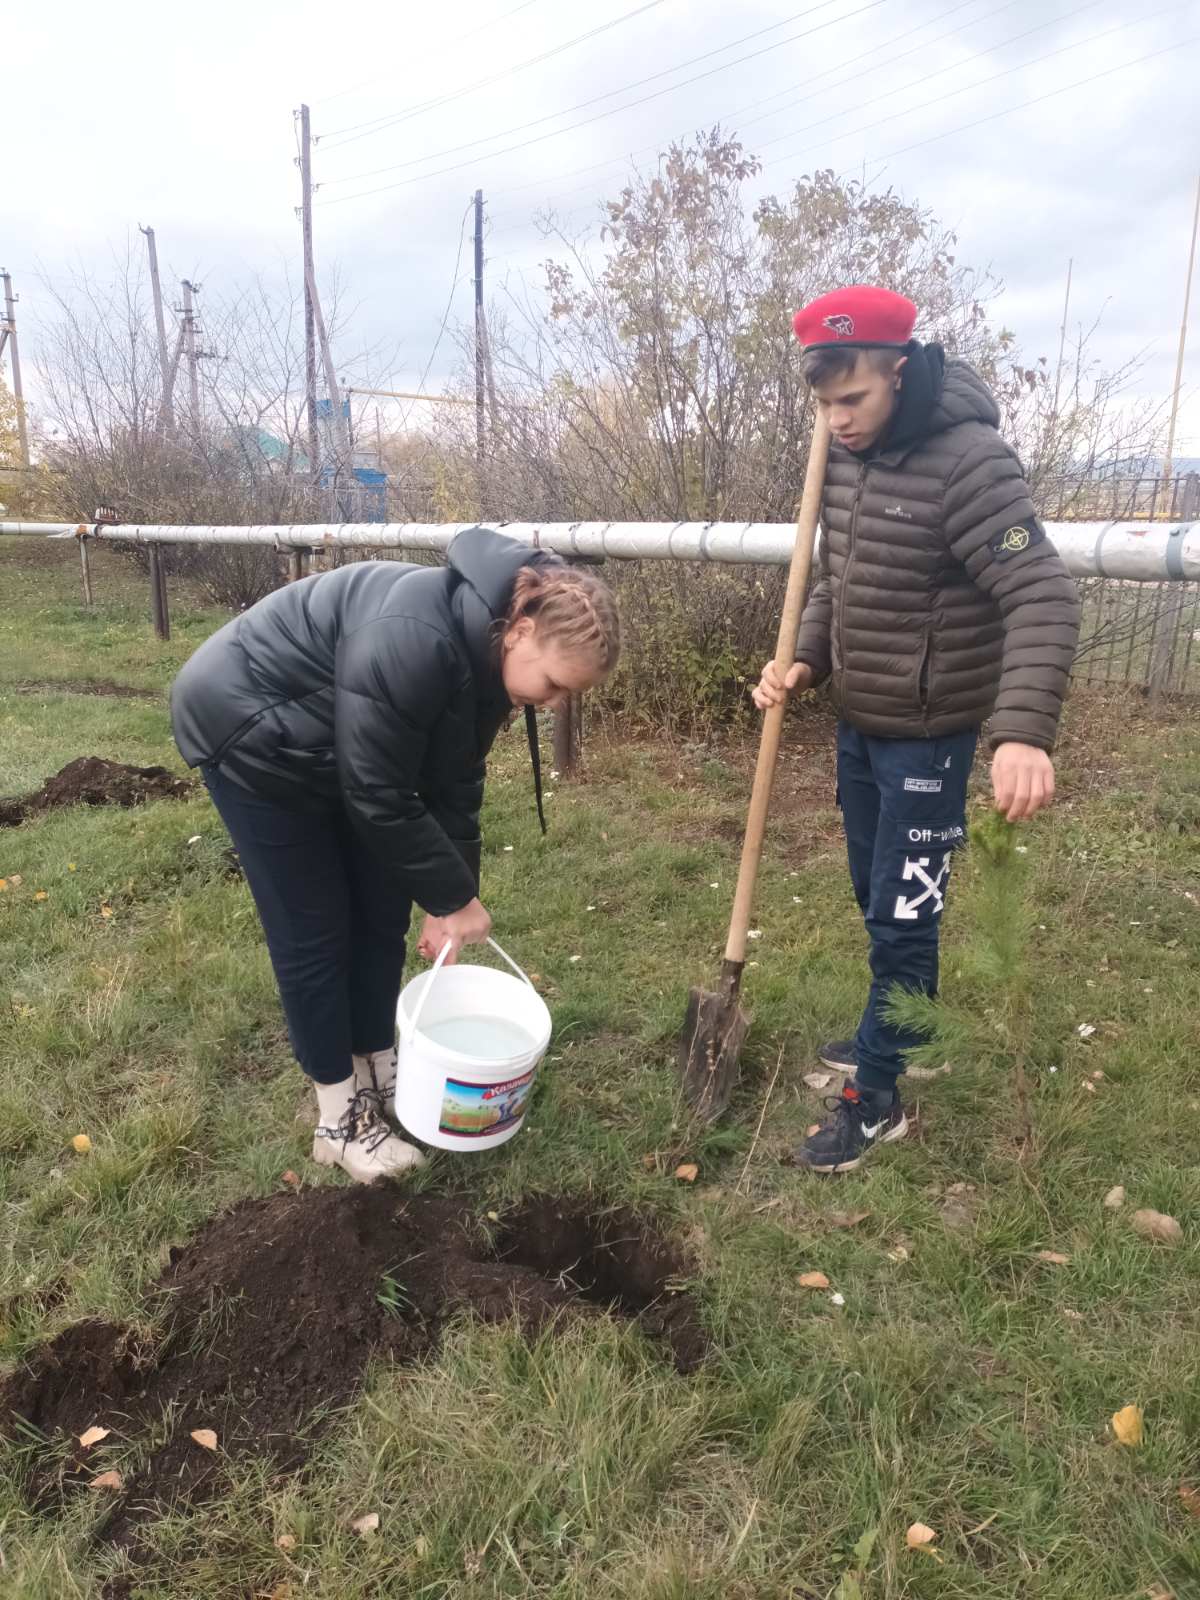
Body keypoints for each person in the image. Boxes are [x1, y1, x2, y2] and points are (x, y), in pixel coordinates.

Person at [171, 528, 620, 1183]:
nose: (552, 704)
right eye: (553, 684)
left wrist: (450, 896)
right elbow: (377, 792)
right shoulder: (417, 637)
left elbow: (455, 780)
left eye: (564, 696)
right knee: (316, 928)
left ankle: (378, 1065)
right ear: (522, 631)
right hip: (250, 729)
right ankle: (339, 1119)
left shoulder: (489, 655)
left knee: (382, 910)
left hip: (337, 745)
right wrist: (455, 898)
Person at [754, 286, 1080, 1174]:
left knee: (904, 911)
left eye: (852, 399)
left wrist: (1022, 731)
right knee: (877, 890)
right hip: (861, 721)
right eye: (823, 404)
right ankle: (907, 1022)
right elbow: (839, 584)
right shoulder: (846, 458)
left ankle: (879, 1095)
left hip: (931, 736)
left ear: (901, 371)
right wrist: (806, 663)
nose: (837, 420)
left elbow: (1040, 592)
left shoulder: (969, 463)